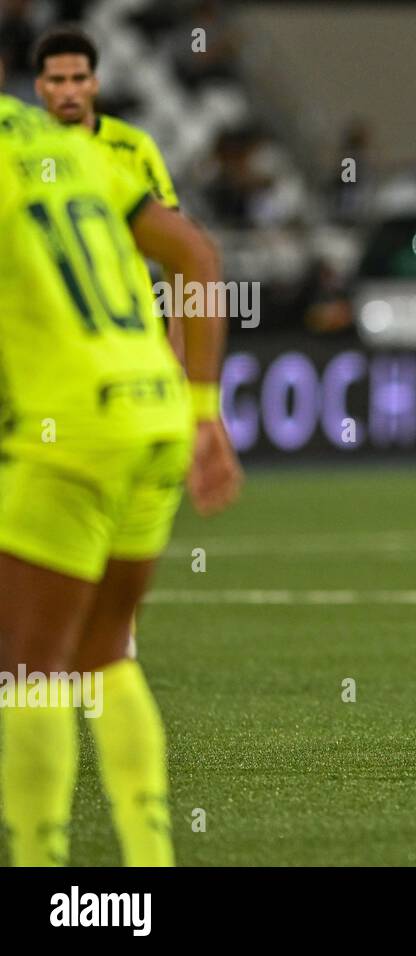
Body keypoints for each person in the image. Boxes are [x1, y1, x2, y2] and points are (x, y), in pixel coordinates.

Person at [0, 91, 242, 866]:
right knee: (105, 653)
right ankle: (149, 860)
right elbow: (197, 256)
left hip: (65, 429)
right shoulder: (69, 145)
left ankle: (38, 863)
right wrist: (204, 411)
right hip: (155, 412)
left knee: (28, 666)